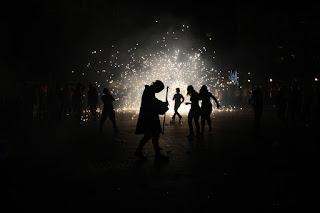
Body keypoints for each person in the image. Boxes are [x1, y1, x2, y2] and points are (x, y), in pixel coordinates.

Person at [134, 80, 169, 162]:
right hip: (150, 117)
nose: (159, 91)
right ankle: (156, 155)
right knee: (153, 135)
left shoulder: (149, 91)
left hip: (149, 116)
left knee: (150, 135)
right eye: (159, 90)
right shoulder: (149, 91)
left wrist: (162, 104)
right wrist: (163, 104)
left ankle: (140, 151)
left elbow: (154, 101)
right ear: (157, 86)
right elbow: (153, 103)